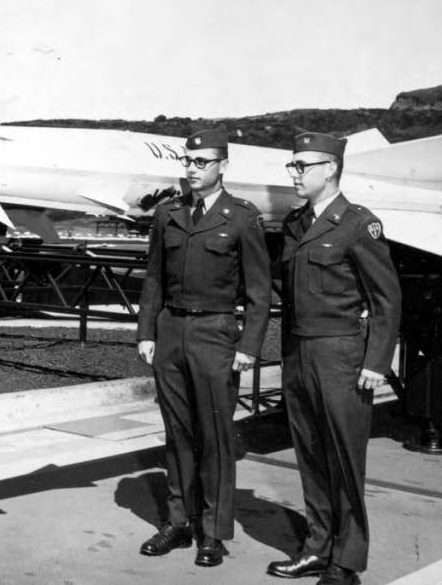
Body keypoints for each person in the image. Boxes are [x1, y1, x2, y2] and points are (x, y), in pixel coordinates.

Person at [267, 132, 401, 585]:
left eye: (303, 166)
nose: (295, 174)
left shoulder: (358, 224)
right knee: (310, 456)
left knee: (344, 460)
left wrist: (376, 362)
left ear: (331, 170)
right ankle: (316, 548)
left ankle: (346, 562)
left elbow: (386, 299)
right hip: (299, 353)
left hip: (342, 355)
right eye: (293, 165)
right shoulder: (295, 224)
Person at [136, 128, 271, 567]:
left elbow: (258, 290)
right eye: (188, 162)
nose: (192, 169)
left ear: (223, 167)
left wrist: (249, 344)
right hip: (171, 330)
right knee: (177, 435)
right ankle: (178, 523)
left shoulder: (242, 217)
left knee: (214, 437)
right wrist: (146, 333)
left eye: (202, 163)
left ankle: (212, 533)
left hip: (215, 332)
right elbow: (154, 277)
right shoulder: (168, 213)